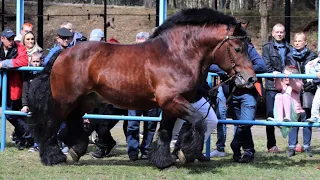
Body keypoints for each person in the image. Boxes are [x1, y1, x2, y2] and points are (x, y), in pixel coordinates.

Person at [127, 32, 160, 161]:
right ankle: (133, 152)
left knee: (151, 124)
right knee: (133, 124)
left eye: (143, 44)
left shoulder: (156, 58)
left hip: (152, 96)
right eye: (138, 44)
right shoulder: (129, 58)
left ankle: (146, 150)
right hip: (134, 96)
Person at [262, 23, 292, 153]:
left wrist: (288, 75)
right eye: (277, 32)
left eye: (281, 32)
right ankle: (271, 145)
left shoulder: (290, 48)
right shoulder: (267, 48)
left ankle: (293, 144)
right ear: (273, 33)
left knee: (291, 115)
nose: (279, 34)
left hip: (288, 86)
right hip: (272, 86)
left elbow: (292, 65)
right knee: (270, 116)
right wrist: (279, 75)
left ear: (284, 33)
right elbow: (266, 66)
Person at [286, 32, 318, 155]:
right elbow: (288, 70)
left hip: (308, 90)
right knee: (294, 118)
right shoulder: (289, 56)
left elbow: (317, 72)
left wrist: (313, 84)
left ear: (305, 42)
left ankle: (306, 146)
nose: (297, 43)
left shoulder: (313, 55)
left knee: (306, 119)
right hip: (295, 90)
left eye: (300, 41)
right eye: (296, 41)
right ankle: (292, 146)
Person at [171, 80, 218, 162]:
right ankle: (173, 151)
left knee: (212, 120)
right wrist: (206, 92)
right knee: (175, 128)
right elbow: (190, 83)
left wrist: (210, 90)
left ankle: (197, 149)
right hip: (182, 100)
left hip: (198, 99)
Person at [0, 28, 31, 150]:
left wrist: (4, 64)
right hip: (3, 86)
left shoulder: (20, 47)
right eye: (9, 39)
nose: (11, 41)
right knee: (11, 114)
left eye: (13, 39)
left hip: (13, 87)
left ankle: (27, 135)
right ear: (2, 39)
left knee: (11, 114)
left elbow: (23, 61)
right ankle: (25, 136)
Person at [20, 52, 44, 152]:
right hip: (32, 104)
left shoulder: (44, 73)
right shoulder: (28, 73)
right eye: (33, 61)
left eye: (37, 61)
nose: (35, 64)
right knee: (33, 124)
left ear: (41, 61)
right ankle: (35, 144)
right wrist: (25, 105)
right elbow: (25, 90)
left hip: (43, 104)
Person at [305, 58, 320, 123]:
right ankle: (315, 116)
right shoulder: (315, 62)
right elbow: (309, 69)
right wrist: (316, 73)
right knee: (316, 101)